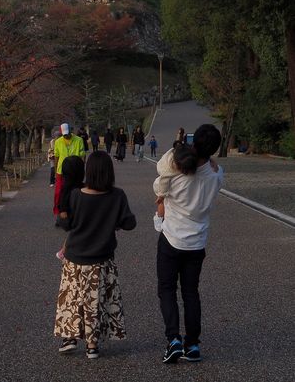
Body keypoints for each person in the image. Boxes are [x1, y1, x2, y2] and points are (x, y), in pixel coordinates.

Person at [54, 151, 137, 359]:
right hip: (102, 259)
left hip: (75, 256)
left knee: (73, 299)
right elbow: (130, 223)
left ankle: (70, 337)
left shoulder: (75, 195)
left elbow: (66, 224)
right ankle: (92, 345)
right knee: (95, 300)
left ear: (88, 171)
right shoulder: (118, 196)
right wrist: (113, 221)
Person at [154, 124, 223, 364]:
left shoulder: (178, 171)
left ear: (194, 143)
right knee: (191, 292)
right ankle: (192, 344)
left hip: (172, 238)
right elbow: (210, 170)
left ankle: (173, 340)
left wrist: (179, 148)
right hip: (197, 242)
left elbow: (160, 171)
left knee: (167, 289)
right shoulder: (217, 174)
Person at [154, 143, 198, 218]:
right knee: (162, 202)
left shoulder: (185, 154)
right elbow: (164, 180)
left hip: (171, 157)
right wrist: (161, 195)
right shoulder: (170, 170)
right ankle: (160, 218)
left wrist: (211, 160)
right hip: (162, 175)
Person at [53, 124, 85, 218]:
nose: (66, 136)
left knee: (75, 191)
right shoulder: (58, 141)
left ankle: (75, 212)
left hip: (75, 171)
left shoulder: (78, 140)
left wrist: (82, 169)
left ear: (71, 131)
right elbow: (56, 157)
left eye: (67, 133)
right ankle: (59, 212)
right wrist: (55, 171)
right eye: (64, 134)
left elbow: (82, 156)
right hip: (61, 171)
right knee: (59, 192)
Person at [55, 156, 85, 257]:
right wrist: (63, 212)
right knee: (75, 232)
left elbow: (61, 201)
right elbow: (62, 203)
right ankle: (64, 251)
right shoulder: (70, 187)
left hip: (72, 217)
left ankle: (63, 251)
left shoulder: (66, 186)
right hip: (71, 217)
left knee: (74, 233)